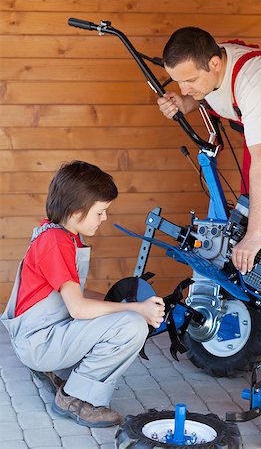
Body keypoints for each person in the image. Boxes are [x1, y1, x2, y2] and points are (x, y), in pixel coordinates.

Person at [1, 160, 165, 428]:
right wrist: (137, 310)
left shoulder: (61, 237)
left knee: (121, 317)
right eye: (101, 212)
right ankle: (75, 398)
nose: (105, 218)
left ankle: (59, 371)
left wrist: (118, 302)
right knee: (133, 326)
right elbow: (78, 309)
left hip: (42, 334)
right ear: (77, 210)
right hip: (39, 342)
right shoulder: (56, 243)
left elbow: (71, 295)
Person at [157, 27, 261, 275]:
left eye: (189, 81)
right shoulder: (212, 60)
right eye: (178, 81)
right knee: (248, 218)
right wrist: (186, 104)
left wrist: (254, 237)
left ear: (214, 63)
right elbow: (210, 92)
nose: (183, 88)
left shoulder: (256, 83)